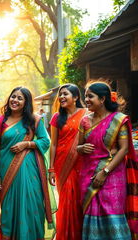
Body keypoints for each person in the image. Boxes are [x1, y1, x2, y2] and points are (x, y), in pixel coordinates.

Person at [0, 87, 56, 240]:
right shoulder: (1, 120)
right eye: (13, 97)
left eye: (20, 98)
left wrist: (26, 145)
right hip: (5, 169)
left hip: (30, 170)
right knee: (8, 209)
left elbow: (45, 141)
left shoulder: (34, 120)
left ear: (26, 103)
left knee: (31, 205)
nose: (15, 100)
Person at [77, 81, 138, 239]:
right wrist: (80, 148)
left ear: (102, 99)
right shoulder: (84, 121)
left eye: (90, 96)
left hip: (113, 174)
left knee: (112, 211)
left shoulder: (119, 120)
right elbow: (78, 146)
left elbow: (123, 149)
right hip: (88, 174)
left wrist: (105, 172)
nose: (86, 100)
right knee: (91, 211)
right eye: (85, 96)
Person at [48, 83, 86, 240]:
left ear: (76, 97)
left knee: (80, 200)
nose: (61, 97)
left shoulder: (86, 114)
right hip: (62, 164)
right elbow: (54, 143)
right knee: (66, 201)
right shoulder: (57, 117)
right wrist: (51, 168)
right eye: (60, 94)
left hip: (81, 163)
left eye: (65, 94)